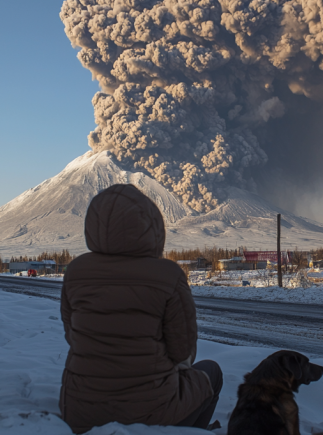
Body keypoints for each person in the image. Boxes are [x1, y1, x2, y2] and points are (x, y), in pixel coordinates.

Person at [58, 184, 222, 433]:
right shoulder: (168, 275)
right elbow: (182, 350)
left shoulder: (75, 272)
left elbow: (73, 336)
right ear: (152, 226)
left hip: (80, 413)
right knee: (212, 373)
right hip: (150, 414)